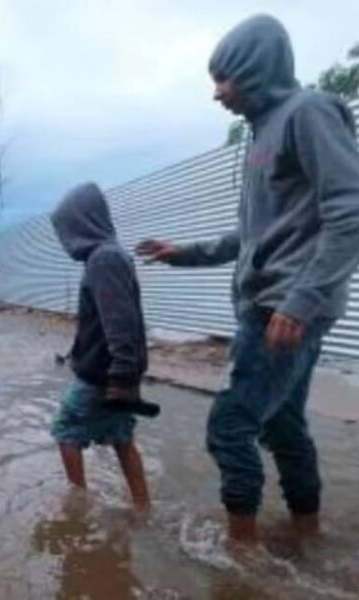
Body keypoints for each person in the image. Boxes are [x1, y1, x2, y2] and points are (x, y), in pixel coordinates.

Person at [136, 15, 359, 544]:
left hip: (282, 310)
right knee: (283, 426)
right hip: (271, 304)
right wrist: (184, 254)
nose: (216, 94)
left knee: (229, 427)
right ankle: (307, 533)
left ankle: (243, 555)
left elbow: (349, 212)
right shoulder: (264, 132)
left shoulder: (309, 113)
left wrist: (299, 302)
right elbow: (254, 233)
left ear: (256, 69)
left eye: (223, 79)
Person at [51, 182, 151, 513]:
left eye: (65, 229)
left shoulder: (103, 259)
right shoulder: (112, 255)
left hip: (103, 374)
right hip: (118, 370)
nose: (65, 240)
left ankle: (77, 504)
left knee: (65, 427)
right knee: (121, 436)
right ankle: (142, 507)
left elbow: (120, 323)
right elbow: (112, 319)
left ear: (82, 223)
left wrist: (120, 376)